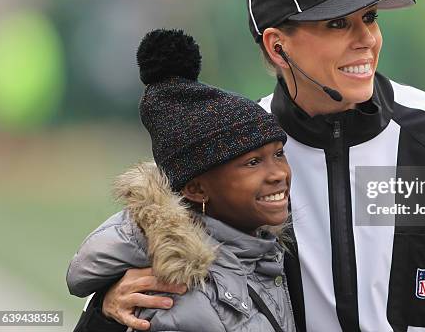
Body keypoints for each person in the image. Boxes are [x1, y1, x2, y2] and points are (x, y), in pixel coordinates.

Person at [72, 0, 425, 332]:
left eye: (370, 17)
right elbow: (159, 278)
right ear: (277, 46)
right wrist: (108, 307)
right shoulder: (229, 158)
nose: (365, 38)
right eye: (337, 23)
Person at [67, 29, 295, 332]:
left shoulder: (255, 250)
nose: (278, 173)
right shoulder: (175, 298)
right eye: (253, 162)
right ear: (196, 188)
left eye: (279, 154)